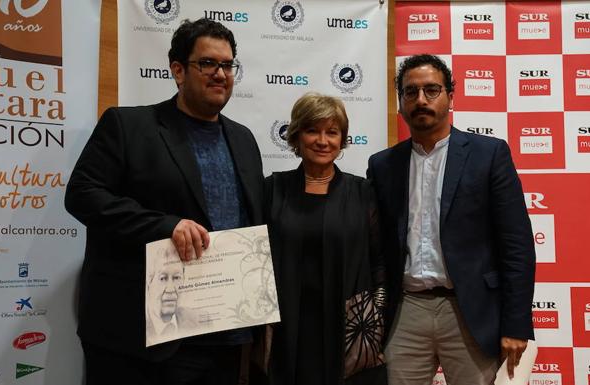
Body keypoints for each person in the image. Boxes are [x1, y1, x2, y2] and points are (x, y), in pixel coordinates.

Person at [65, 18, 264, 385]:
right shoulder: (128, 126)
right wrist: (164, 225)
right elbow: (82, 195)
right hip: (141, 340)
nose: (220, 74)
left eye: (227, 64)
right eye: (207, 63)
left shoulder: (245, 140)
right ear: (177, 69)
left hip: (223, 335)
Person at [367, 54, 536, 385]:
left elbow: (517, 246)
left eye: (431, 90)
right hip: (406, 311)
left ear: (450, 96)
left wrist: (516, 324)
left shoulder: (489, 155)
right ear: (400, 102)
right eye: (410, 92)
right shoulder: (383, 165)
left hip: (470, 311)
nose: (420, 100)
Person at [264, 92, 387, 385]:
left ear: (342, 140)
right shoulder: (271, 190)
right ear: (296, 136)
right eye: (312, 130)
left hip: (347, 329)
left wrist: (376, 317)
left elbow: (379, 261)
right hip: (287, 328)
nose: (322, 140)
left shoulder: (363, 193)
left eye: (332, 132)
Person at [145, 248, 197, 346]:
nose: (170, 289)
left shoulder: (199, 320)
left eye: (176, 277)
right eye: (163, 278)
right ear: (149, 284)